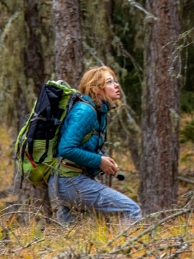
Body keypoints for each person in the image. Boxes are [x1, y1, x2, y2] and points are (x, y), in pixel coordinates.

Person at [48, 66, 142, 224]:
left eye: (115, 81)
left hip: (64, 181)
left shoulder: (98, 111)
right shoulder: (85, 111)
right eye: (109, 82)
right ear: (96, 89)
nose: (116, 85)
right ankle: (126, 242)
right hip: (69, 180)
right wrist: (99, 161)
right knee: (131, 210)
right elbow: (66, 148)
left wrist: (103, 158)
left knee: (76, 235)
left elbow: (83, 145)